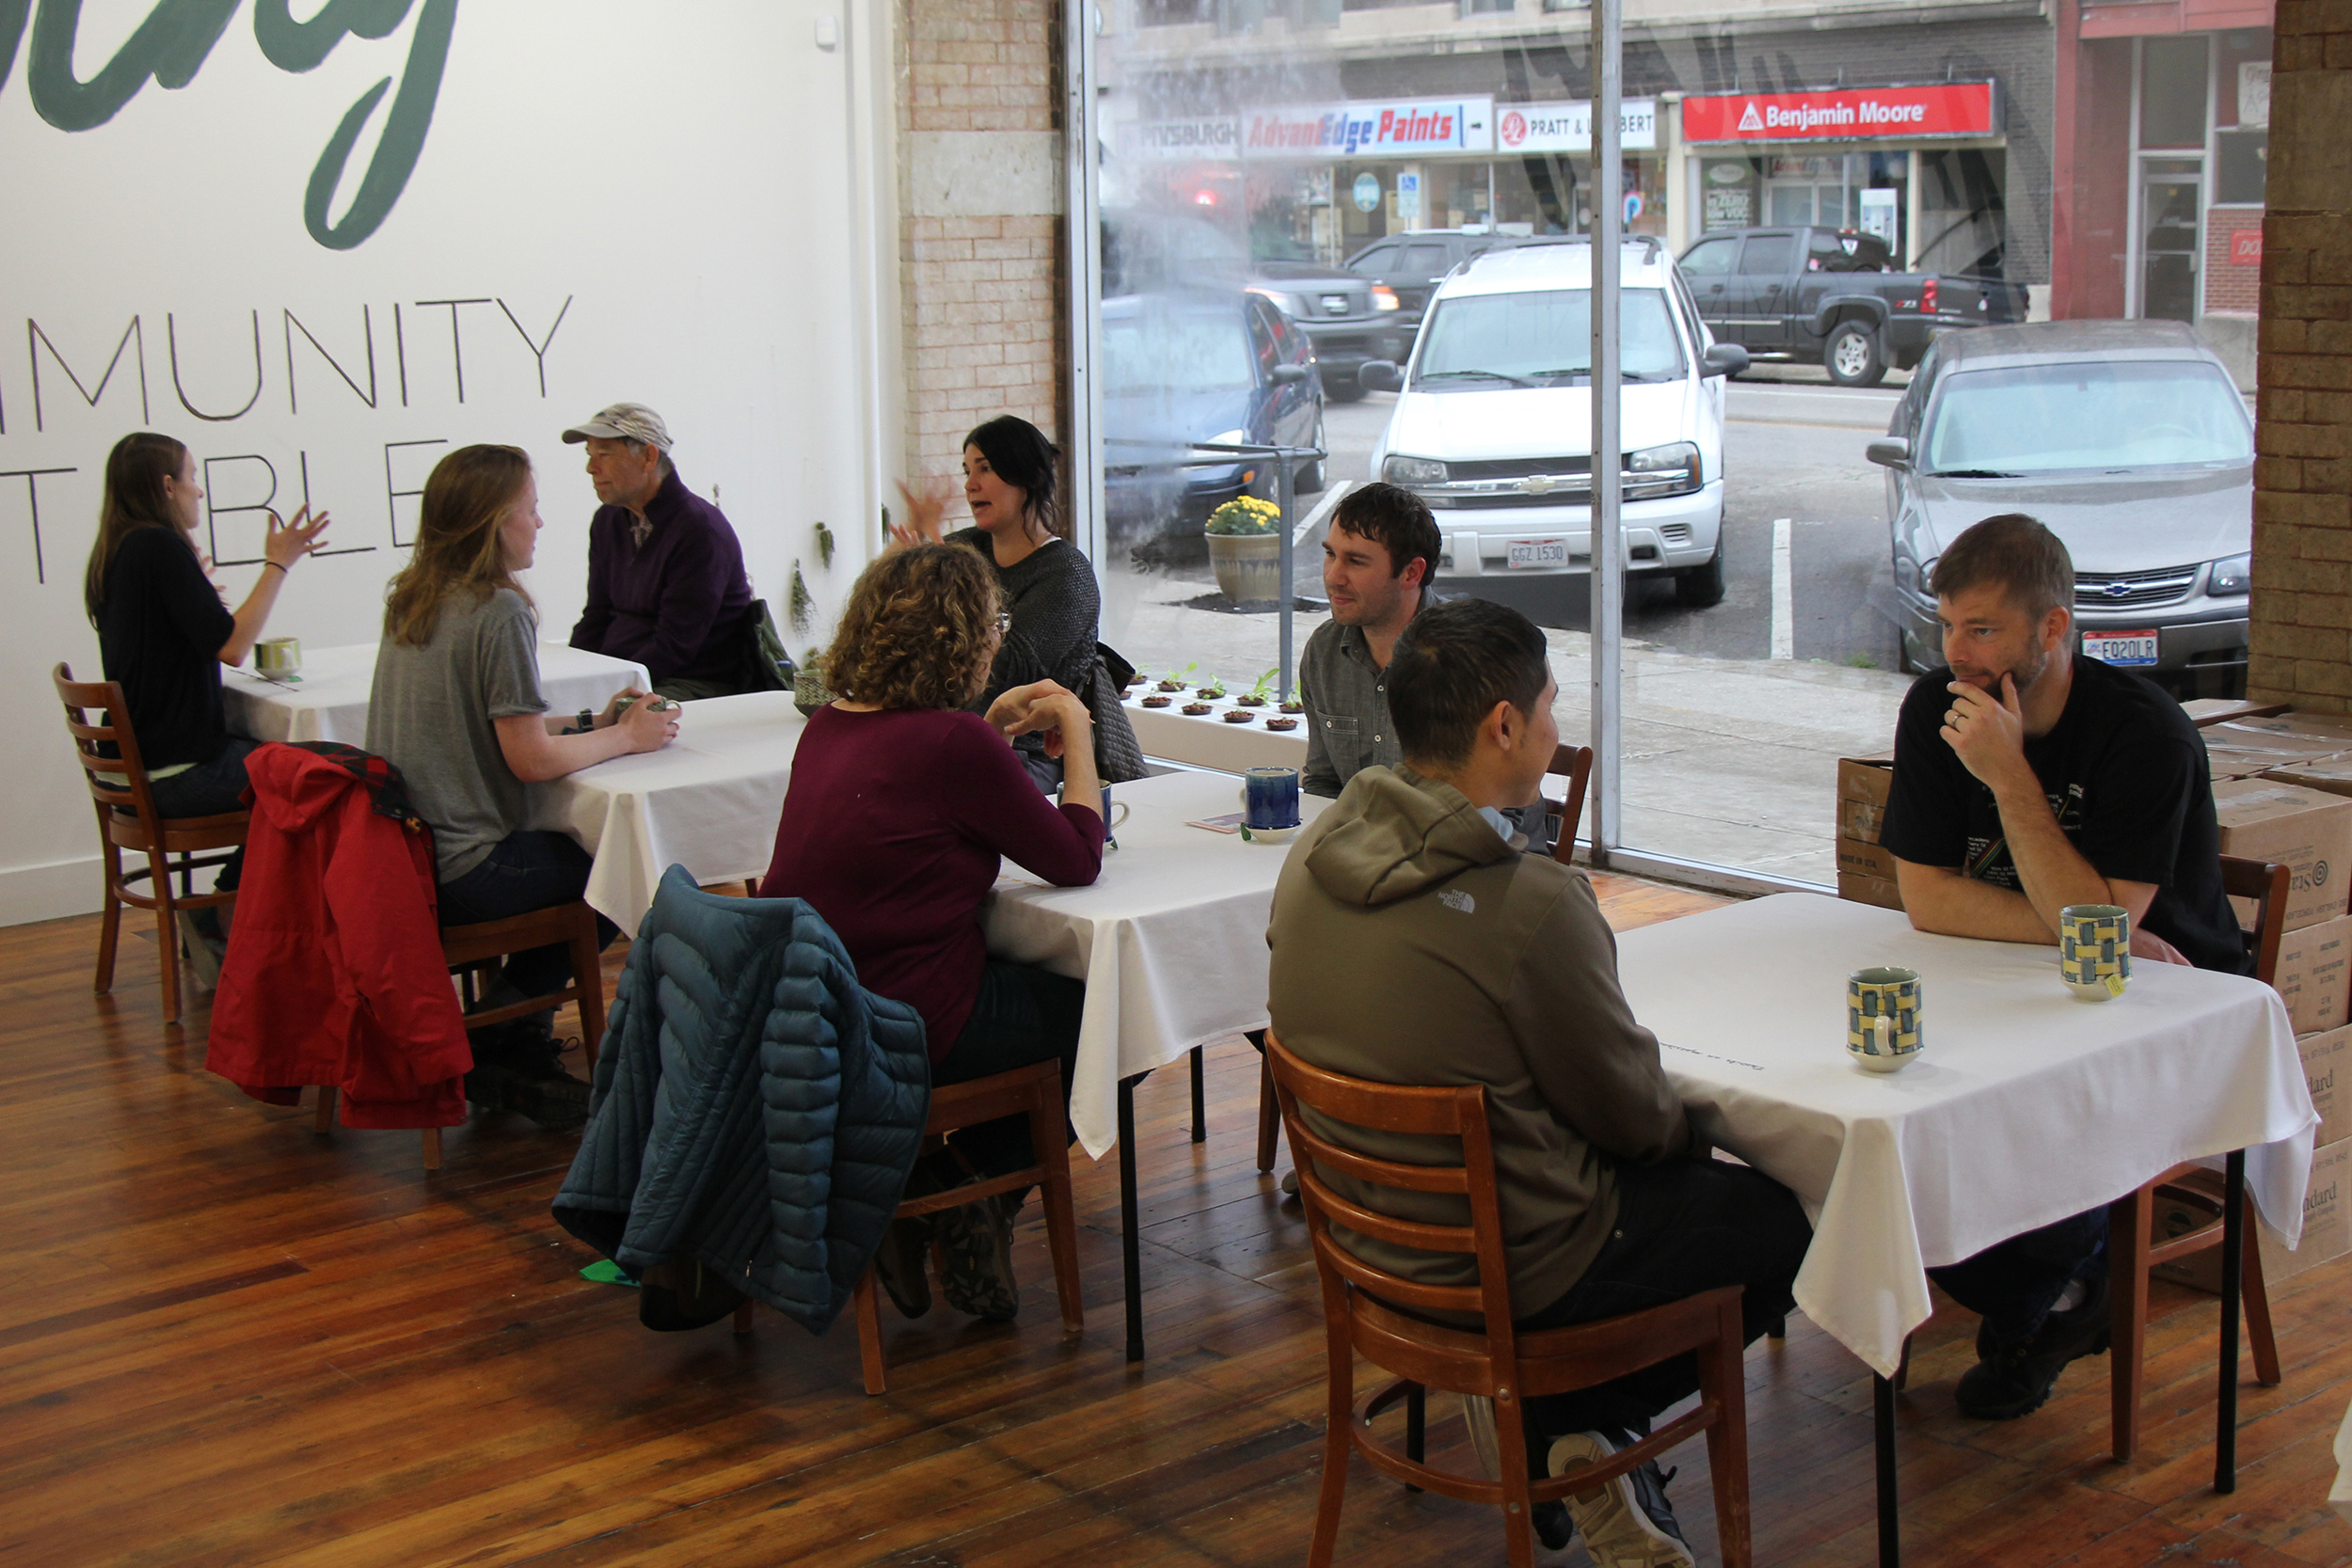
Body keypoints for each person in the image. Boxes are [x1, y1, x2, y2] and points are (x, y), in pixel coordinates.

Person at [1267, 597, 1810, 1568]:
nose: (1558, 726)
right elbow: (1637, 1120)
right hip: (1522, 1269)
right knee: (1792, 1220)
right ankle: (1560, 1419)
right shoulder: (1529, 905)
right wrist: (1686, 1139)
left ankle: (1570, 1430)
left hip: (1367, 1249)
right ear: (1504, 726)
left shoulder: (1310, 858)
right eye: (1551, 704)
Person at [1879, 512, 2243, 1421]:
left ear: (2053, 626)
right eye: (1948, 625)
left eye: (1982, 628)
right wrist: (2083, 928)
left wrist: (2009, 778)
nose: (1956, 653)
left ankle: (2066, 1285)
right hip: (2029, 984)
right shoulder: (1937, 709)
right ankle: (2060, 1276)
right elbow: (1928, 899)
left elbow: (2101, 930)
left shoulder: (2144, 735)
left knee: (2012, 1126)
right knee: (1900, 1119)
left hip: (2172, 1009)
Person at [757, 542, 1104, 1322]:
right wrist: (1077, 732)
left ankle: (949, 1196)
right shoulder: (952, 745)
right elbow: (1078, 858)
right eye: (993, 627)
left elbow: (927, 803)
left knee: (1071, 1003)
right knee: (1115, 1015)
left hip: (816, 1011)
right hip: (907, 1017)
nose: (996, 641)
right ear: (962, 639)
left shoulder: (829, 726)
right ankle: (967, 1183)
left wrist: (989, 729)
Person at [368, 444, 678, 1128]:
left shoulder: (413, 598)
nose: (539, 523)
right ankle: (501, 1033)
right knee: (620, 868)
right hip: (468, 866)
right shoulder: (498, 609)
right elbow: (530, 760)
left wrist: (596, 722)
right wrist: (629, 737)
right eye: (530, 510)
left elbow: (495, 727)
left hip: (405, 858)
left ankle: (505, 1031)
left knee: (597, 860)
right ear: (492, 521)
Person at [83, 431, 331, 978]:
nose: (199, 491)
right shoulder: (158, 547)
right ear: (167, 486)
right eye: (192, 478)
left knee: (293, 764)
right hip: (174, 772)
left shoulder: (119, 552)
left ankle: (231, 916)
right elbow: (233, 646)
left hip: (135, 768)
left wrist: (197, 593)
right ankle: (227, 916)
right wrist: (278, 564)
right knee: (325, 780)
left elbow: (182, 637)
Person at [1298, 483, 1553, 850]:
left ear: (1411, 573)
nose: (1333, 576)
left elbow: (1508, 807)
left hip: (1484, 857)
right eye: (1330, 555)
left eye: (1355, 561)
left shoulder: (1476, 652)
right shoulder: (1324, 651)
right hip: (1371, 858)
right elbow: (1323, 783)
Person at [889, 415, 1103, 791]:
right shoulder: (967, 546)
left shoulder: (1066, 574)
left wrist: (936, 567)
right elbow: (895, 630)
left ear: (1030, 476)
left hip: (1028, 756)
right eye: (967, 470)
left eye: (985, 468)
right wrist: (903, 558)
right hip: (948, 732)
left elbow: (999, 674)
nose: (970, 484)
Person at [563, 403, 756, 702]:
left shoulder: (699, 529)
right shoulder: (608, 521)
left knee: (604, 719)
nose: (591, 467)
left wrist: (608, 688)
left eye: (604, 454)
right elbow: (596, 616)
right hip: (627, 675)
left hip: (689, 681)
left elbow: (676, 644)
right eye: (590, 455)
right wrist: (567, 676)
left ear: (649, 457)